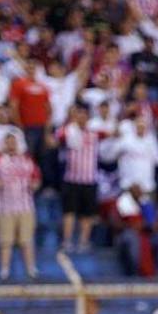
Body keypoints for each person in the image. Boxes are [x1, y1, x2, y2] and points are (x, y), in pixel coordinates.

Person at [0, 132, 40, 280]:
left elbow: (37, 179)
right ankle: (4, 270)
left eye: (13, 142)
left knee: (26, 240)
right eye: (8, 142)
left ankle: (31, 269)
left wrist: (34, 186)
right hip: (5, 207)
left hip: (25, 206)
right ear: (4, 144)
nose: (11, 145)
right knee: (6, 241)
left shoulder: (27, 160)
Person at [55, 104, 102, 253]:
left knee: (87, 214)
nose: (81, 118)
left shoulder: (94, 134)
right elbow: (59, 137)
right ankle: (67, 241)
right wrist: (71, 123)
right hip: (72, 179)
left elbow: (111, 133)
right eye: (78, 115)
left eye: (84, 115)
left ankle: (83, 241)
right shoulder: (69, 131)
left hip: (89, 179)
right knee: (69, 212)